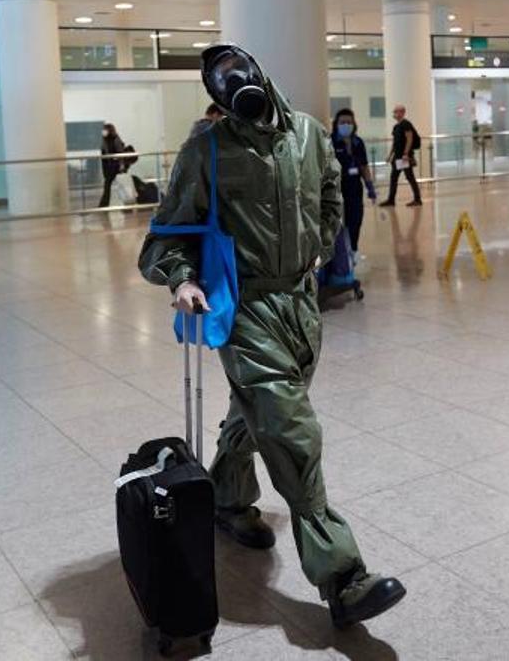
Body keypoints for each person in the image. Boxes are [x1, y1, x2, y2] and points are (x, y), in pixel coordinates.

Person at [138, 44, 405, 628]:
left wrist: (312, 256)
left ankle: (227, 500)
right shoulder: (206, 150)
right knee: (292, 429)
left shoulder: (309, 136)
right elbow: (163, 240)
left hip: (301, 304)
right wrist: (182, 279)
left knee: (253, 414)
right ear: (216, 98)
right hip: (247, 306)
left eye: (240, 71)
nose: (235, 85)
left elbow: (332, 198)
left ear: (261, 71)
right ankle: (343, 578)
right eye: (221, 82)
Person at [330, 108, 376, 256]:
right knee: (337, 224)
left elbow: (363, 166)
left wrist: (370, 187)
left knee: (355, 221)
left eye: (349, 122)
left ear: (354, 124)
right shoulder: (330, 142)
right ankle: (339, 256)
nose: (346, 125)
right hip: (336, 190)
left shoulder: (358, 142)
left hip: (355, 189)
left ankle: (353, 250)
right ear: (336, 124)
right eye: (342, 122)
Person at [379, 104, 421, 207]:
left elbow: (409, 139)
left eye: (396, 112)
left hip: (404, 157)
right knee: (394, 178)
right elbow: (395, 142)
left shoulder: (406, 124)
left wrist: (406, 153)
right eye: (394, 112)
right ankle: (391, 200)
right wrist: (390, 155)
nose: (395, 114)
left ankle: (417, 199)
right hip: (397, 157)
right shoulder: (396, 127)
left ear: (402, 112)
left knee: (409, 177)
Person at [98, 122, 125, 208]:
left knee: (107, 184)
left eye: (105, 130)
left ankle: (104, 204)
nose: (103, 131)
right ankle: (104, 204)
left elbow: (120, 152)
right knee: (107, 184)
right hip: (106, 166)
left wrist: (121, 164)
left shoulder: (115, 139)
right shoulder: (104, 140)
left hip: (113, 166)